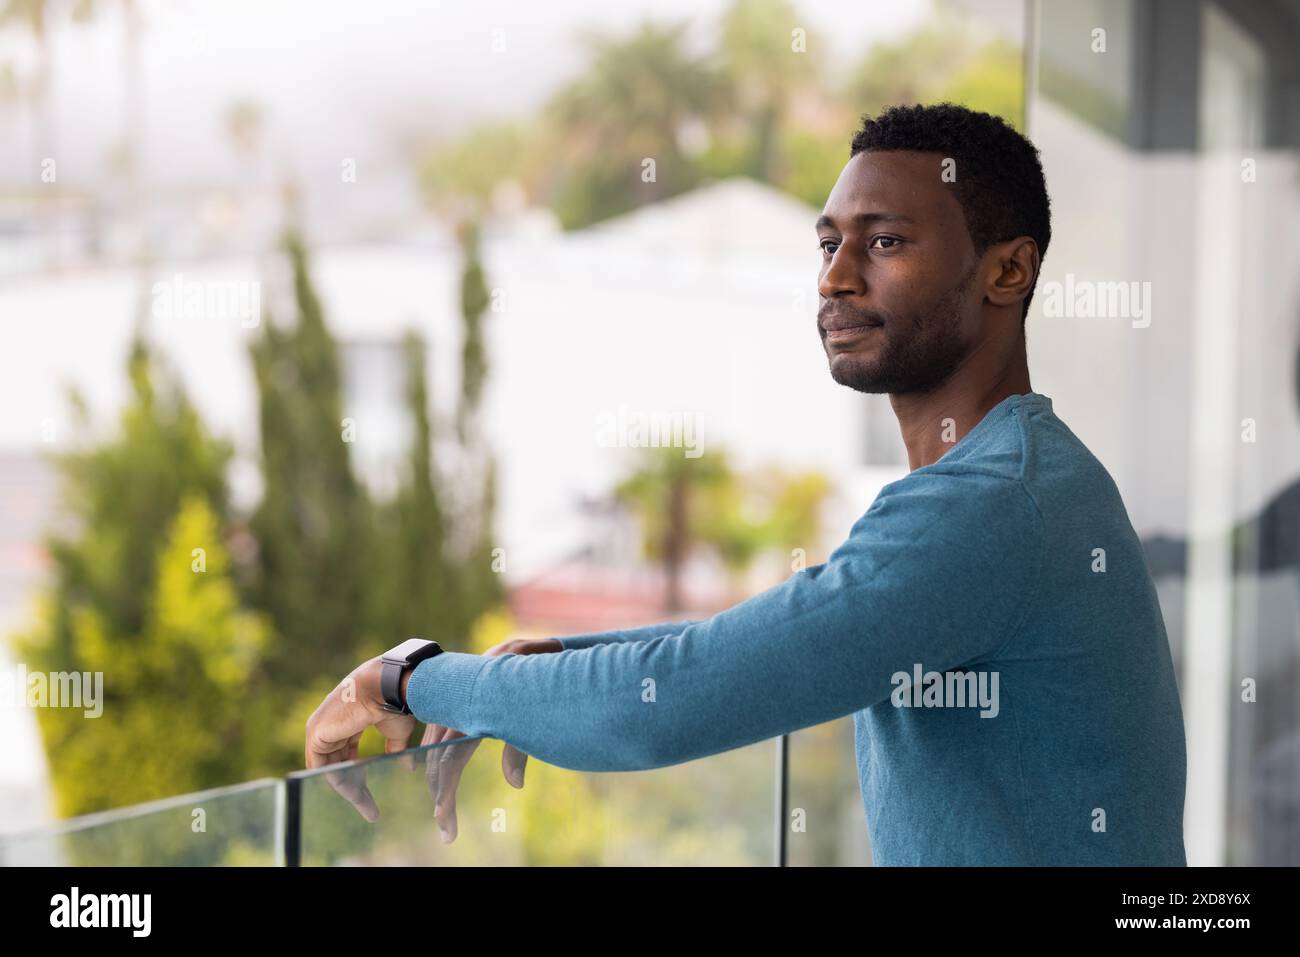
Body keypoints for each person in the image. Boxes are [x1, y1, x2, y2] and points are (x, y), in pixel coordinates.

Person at [305, 103, 1188, 866]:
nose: (837, 277)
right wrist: (557, 665)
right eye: (830, 242)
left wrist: (411, 676)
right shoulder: (1018, 477)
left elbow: (671, 705)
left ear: (1008, 269)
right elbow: (795, 634)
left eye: (885, 242)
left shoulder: (990, 505)